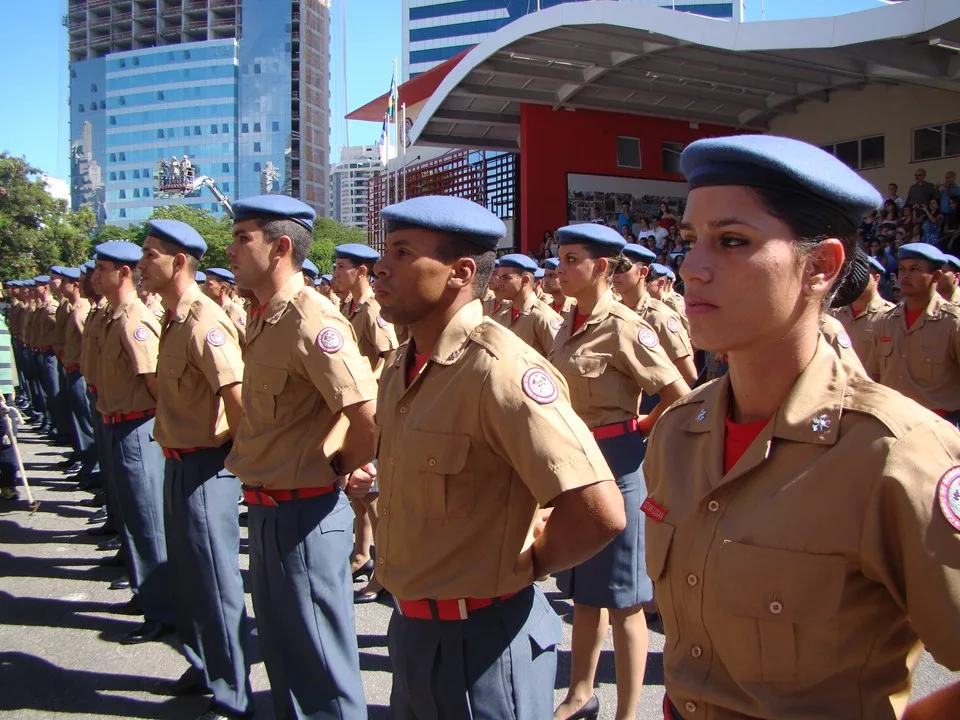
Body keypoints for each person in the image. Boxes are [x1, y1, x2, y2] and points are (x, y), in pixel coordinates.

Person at [643, 133, 960, 720]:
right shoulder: (679, 431)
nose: (691, 267)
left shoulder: (895, 455)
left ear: (819, 266)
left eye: (732, 241)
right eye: (690, 241)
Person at [372, 194, 626, 720]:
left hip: (481, 641)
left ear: (459, 272)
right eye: (386, 250)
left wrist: (527, 565)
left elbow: (599, 510)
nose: (382, 266)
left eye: (401, 252)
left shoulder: (498, 369)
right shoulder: (404, 365)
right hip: (414, 629)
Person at [224, 195, 377, 719]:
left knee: (323, 672)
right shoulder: (264, 314)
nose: (231, 249)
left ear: (281, 247)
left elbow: (366, 415)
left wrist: (336, 470)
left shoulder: (311, 316)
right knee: (287, 657)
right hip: (268, 508)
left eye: (243, 238)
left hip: (305, 512)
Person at [550, 223, 691, 720]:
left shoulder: (626, 326)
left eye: (571, 260)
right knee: (587, 593)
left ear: (602, 267)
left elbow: (680, 396)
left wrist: (639, 426)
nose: (560, 269)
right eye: (560, 259)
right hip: (577, 470)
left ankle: (628, 714)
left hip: (620, 468)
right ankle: (579, 693)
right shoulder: (567, 322)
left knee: (627, 602)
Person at [138, 219, 252, 720]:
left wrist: (247, 467)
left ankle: (232, 691)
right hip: (178, 459)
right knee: (188, 574)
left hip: (208, 467)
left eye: (150, 255)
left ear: (178, 262)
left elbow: (238, 399)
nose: (142, 265)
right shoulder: (171, 317)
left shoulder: (204, 320)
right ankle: (204, 663)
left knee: (215, 581)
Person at [93, 240, 173, 645]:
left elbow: (155, 381)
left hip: (137, 427)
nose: (95, 277)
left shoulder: (134, 319)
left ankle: (163, 610)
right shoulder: (113, 315)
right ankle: (147, 594)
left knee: (148, 522)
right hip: (116, 424)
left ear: (122, 273)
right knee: (130, 514)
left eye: (102, 268)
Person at [332, 242, 400, 606]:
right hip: (352, 405)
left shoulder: (374, 310)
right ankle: (363, 553)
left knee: (372, 496)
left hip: (369, 408)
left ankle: (384, 573)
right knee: (359, 495)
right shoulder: (348, 306)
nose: (335, 273)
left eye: (341, 267)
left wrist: (362, 389)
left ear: (361, 272)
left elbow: (388, 357)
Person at [866, 243, 960, 429]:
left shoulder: (953, 322)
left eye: (915, 269)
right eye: (902, 269)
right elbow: (874, 375)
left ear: (936, 276)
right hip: (892, 422)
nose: (905, 276)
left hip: (938, 425)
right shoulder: (886, 321)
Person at [613, 243, 698, 386]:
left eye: (622, 267)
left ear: (643, 272)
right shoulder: (614, 312)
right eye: (613, 267)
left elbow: (689, 377)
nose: (615, 274)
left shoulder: (659, 317)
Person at [57, 266, 98, 488]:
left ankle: (93, 468)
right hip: (74, 368)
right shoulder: (82, 308)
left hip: (82, 371)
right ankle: (88, 464)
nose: (83, 283)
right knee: (81, 420)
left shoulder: (82, 309)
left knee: (87, 423)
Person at [491, 254, 564, 357]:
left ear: (525, 280)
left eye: (506, 278)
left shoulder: (542, 316)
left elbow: (558, 360)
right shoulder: (503, 314)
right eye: (500, 278)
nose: (500, 283)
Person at [833, 255, 895, 361]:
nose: (855, 279)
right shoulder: (835, 314)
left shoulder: (890, 315)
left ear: (876, 279)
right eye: (850, 274)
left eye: (862, 275)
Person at [203, 267, 247, 344]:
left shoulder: (233, 310)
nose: (204, 288)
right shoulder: (213, 309)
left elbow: (247, 340)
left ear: (223, 288)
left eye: (209, 284)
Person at [542, 258, 577, 322]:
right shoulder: (546, 308)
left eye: (552, 275)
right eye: (545, 276)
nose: (546, 280)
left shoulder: (575, 307)